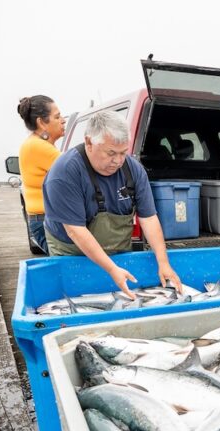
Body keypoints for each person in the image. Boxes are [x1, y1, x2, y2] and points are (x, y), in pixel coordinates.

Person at [43, 110, 182, 296]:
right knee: (76, 295)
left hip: (117, 250)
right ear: (89, 142)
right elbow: (75, 230)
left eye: (123, 153)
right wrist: (111, 269)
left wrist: (163, 262)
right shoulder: (64, 173)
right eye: (111, 153)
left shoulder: (134, 170)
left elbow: (148, 218)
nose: (117, 160)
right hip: (72, 250)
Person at [17, 95, 66, 254]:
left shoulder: (34, 143)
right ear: (41, 122)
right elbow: (76, 172)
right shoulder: (39, 147)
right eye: (57, 117)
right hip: (48, 221)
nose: (63, 120)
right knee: (68, 268)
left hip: (42, 218)